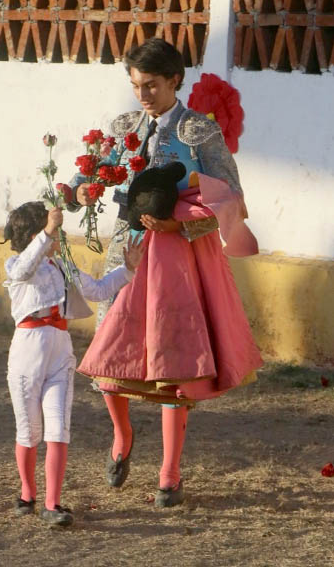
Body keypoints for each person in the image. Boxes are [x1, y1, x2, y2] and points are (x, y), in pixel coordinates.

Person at [68, 38, 262, 508]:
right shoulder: (122, 129)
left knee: (176, 361)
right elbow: (87, 176)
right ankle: (122, 436)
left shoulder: (200, 133)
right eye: (135, 85)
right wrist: (79, 190)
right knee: (109, 351)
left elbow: (232, 200)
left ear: (175, 80)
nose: (142, 96)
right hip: (128, 250)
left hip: (178, 255)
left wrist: (180, 224)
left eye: (151, 85)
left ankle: (170, 473)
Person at [2, 201, 144, 526]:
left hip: (60, 351)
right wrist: (48, 231)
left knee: (58, 429)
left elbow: (96, 291)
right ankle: (27, 494)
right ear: (38, 233)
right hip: (27, 349)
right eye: (52, 232)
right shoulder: (16, 264)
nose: (58, 237)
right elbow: (24, 269)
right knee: (29, 430)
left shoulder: (62, 265)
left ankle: (52, 503)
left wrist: (128, 270)